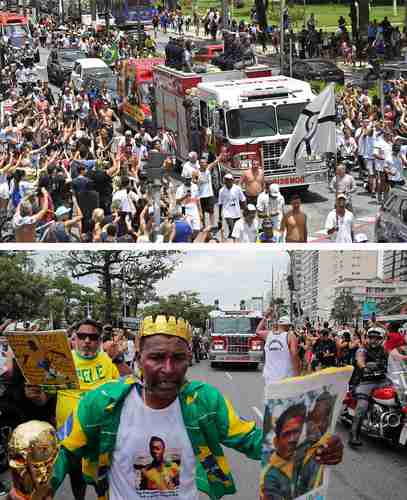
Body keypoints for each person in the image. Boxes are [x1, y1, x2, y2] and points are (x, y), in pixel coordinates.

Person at [50, 315, 344, 500]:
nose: (168, 368)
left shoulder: (204, 400)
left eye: (178, 358)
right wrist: (34, 489)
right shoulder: (104, 401)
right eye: (157, 357)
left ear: (189, 358)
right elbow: (63, 449)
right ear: (138, 357)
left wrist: (316, 445)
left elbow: (256, 440)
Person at [25, 318, 121, 500]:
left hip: (99, 436)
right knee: (77, 479)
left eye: (92, 337)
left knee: (102, 482)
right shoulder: (61, 361)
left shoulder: (108, 362)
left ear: (99, 341)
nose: (87, 341)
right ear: (74, 338)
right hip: (69, 436)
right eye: (82, 336)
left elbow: (122, 391)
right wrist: (36, 395)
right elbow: (44, 399)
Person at [348, 327, 387, 447]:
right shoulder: (362, 350)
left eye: (377, 338)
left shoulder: (385, 350)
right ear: (368, 338)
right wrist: (364, 367)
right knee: (363, 406)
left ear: (381, 339)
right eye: (371, 338)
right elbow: (360, 360)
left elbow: (397, 357)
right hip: (365, 382)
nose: (374, 340)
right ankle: (353, 435)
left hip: (383, 380)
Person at [256, 313, 301, 385]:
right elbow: (294, 354)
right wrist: (297, 373)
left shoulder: (268, 335)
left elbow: (258, 331)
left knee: (272, 396)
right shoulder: (291, 336)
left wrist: (265, 317)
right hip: (286, 377)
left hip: (270, 377)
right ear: (288, 326)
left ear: (278, 325)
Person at [218, 173, 246, 239]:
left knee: (236, 230)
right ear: (224, 181)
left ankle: (232, 240)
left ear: (232, 180)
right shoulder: (221, 191)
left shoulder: (237, 188)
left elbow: (243, 199)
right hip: (227, 212)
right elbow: (220, 203)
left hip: (236, 212)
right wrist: (219, 215)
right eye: (226, 180)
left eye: (230, 180)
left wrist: (245, 211)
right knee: (232, 227)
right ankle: (231, 239)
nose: (228, 181)